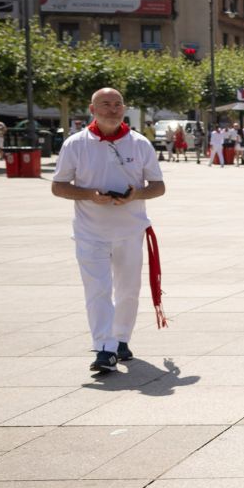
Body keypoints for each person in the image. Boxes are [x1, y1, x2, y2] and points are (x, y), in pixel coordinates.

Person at [49, 87, 167, 374]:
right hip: (90, 232)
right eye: (105, 104)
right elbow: (58, 186)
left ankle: (121, 338)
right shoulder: (76, 144)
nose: (112, 109)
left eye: (117, 104)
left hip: (130, 231)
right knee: (97, 289)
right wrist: (90, 194)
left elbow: (158, 186)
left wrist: (135, 195)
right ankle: (104, 347)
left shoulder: (140, 144)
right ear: (92, 109)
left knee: (128, 290)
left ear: (124, 108)